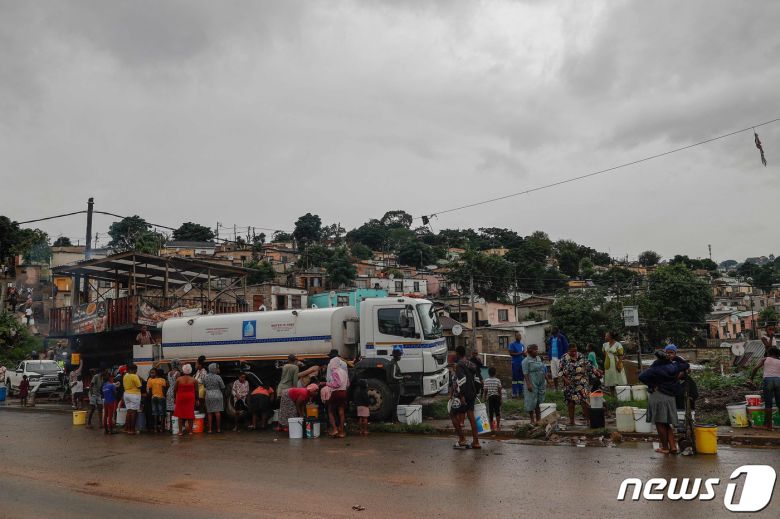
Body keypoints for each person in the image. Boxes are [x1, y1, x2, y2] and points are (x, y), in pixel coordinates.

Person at [639, 350, 690, 454]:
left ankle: (665, 448)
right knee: (667, 423)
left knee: (659, 423)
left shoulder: (655, 368)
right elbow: (686, 364)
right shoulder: (674, 366)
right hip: (670, 397)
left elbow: (641, 377)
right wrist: (674, 357)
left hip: (658, 396)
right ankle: (673, 447)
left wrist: (652, 385)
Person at [560, 343, 601, 426]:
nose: (574, 353)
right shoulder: (564, 358)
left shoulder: (581, 356)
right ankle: (572, 421)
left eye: (575, 351)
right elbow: (560, 371)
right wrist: (565, 379)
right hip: (570, 382)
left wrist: (596, 372)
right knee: (571, 401)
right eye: (572, 351)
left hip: (582, 381)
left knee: (584, 400)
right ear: (568, 351)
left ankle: (588, 421)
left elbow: (590, 366)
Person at [450, 346, 480, 449]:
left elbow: (462, 381)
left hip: (464, 395)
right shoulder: (471, 364)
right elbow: (477, 380)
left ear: (458, 353)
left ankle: (462, 439)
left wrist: (462, 395)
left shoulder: (459, 365)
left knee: (453, 414)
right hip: (472, 393)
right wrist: (475, 392)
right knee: (471, 416)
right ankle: (476, 442)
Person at [750, 346, 780, 431]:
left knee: (768, 404)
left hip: (768, 381)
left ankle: (769, 426)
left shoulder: (765, 359)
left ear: (769, 353)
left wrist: (751, 379)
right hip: (778, 381)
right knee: (779, 403)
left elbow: (755, 369)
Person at [523, 344, 551, 425]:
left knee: (539, 400)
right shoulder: (526, 361)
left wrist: (547, 380)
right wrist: (528, 384)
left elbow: (542, 369)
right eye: (535, 350)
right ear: (530, 351)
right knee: (531, 400)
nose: (537, 351)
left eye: (537, 349)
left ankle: (538, 419)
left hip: (541, 382)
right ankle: (532, 419)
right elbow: (525, 373)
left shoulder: (538, 358)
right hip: (532, 381)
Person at [326, 349, 349, 438]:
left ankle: (335, 429)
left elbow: (330, 380)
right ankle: (342, 431)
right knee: (341, 411)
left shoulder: (332, 368)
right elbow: (348, 383)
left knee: (330, 410)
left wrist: (326, 384)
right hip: (344, 392)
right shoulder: (344, 366)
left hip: (335, 392)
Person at [174, 364, 198, 436]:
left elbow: (175, 390)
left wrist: (175, 398)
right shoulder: (194, 380)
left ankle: (180, 432)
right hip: (190, 398)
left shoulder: (178, 379)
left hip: (180, 397)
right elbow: (196, 391)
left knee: (180, 415)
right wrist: (197, 399)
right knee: (190, 414)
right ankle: (190, 431)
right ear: (190, 371)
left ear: (183, 371)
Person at [203, 363, 226, 433]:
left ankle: (210, 429)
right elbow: (223, 386)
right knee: (217, 412)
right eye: (217, 368)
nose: (218, 369)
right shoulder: (218, 377)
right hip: (217, 394)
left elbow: (204, 385)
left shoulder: (205, 377)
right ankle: (218, 429)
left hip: (208, 395)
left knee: (209, 412)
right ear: (214, 369)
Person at [122, 364, 143, 434]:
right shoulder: (135, 376)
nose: (136, 371)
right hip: (134, 395)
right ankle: (132, 430)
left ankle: (126, 428)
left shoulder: (125, 376)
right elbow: (139, 386)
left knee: (129, 412)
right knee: (133, 412)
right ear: (133, 369)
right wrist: (140, 380)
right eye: (136, 369)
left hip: (126, 394)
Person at [146, 368, 168, 433]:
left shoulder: (151, 381)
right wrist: (165, 396)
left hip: (153, 397)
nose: (151, 374)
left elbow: (150, 391)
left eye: (153, 373)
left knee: (155, 413)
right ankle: (162, 428)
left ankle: (155, 428)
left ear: (156, 373)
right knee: (162, 413)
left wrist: (150, 396)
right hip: (161, 397)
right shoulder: (163, 380)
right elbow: (164, 390)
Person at [482, 367, 503, 431]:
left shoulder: (486, 380)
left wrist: (484, 397)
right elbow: (499, 390)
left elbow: (485, 390)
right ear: (495, 373)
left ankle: (491, 427)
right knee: (497, 412)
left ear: (488, 373)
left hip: (490, 398)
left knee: (490, 412)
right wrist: (501, 398)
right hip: (497, 397)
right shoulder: (498, 380)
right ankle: (498, 426)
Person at [386, 346, 404, 418]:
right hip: (395, 384)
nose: (400, 357)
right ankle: (394, 417)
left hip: (393, 384)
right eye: (399, 356)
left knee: (394, 401)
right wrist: (403, 377)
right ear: (396, 356)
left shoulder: (393, 362)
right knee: (395, 401)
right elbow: (393, 376)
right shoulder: (393, 364)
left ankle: (394, 417)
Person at [508, 331, 526, 397]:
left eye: (520, 335)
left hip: (522, 363)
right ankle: (514, 393)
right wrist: (520, 353)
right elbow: (511, 353)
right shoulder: (512, 344)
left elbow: (523, 354)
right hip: (515, 363)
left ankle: (521, 392)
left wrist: (525, 354)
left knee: (521, 378)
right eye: (518, 335)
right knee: (515, 378)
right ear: (515, 337)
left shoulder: (522, 345)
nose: (519, 337)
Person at [165, 359, 181, 431]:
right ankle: (176, 426)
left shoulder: (169, 373)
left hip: (169, 391)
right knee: (176, 409)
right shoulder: (178, 373)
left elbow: (168, 384)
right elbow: (178, 384)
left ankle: (171, 426)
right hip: (175, 391)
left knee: (171, 410)